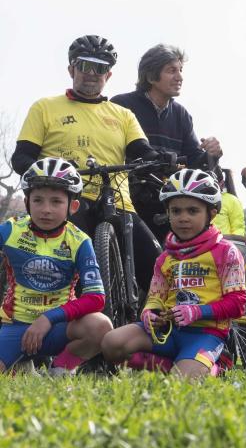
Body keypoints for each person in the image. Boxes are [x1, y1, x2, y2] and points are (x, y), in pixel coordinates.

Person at [13, 35, 170, 297]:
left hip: (118, 202)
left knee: (157, 267)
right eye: (84, 66)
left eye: (99, 68)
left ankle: (150, 328)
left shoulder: (122, 115)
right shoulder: (45, 107)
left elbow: (142, 151)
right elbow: (21, 158)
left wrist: (163, 158)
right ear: (71, 69)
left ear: (108, 75)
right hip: (69, 200)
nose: (91, 74)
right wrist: (52, 177)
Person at [101, 169, 246, 378]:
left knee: (182, 382)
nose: (183, 218)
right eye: (176, 211)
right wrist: (150, 313)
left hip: (206, 334)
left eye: (193, 211)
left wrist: (198, 312)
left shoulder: (226, 252)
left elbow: (238, 304)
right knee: (110, 344)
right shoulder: (165, 258)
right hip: (167, 332)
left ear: (211, 214)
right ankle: (179, 364)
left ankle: (217, 364)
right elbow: (155, 298)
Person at [0, 158, 111, 374]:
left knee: (101, 326)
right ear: (27, 203)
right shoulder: (12, 229)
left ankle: (59, 370)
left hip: (59, 328)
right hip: (16, 325)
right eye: (38, 200)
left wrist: (48, 318)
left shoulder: (80, 241)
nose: (46, 210)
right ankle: (21, 364)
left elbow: (96, 298)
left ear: (73, 206)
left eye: (56, 202)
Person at [110, 44, 223, 238]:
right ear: (151, 76)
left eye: (180, 70)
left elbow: (193, 160)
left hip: (169, 200)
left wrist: (211, 154)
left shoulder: (182, 114)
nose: (179, 76)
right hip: (129, 198)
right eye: (172, 70)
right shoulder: (122, 105)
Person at [211, 167, 246, 236]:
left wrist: (229, 244)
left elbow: (238, 229)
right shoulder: (196, 200)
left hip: (223, 245)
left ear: (221, 183)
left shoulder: (232, 200)